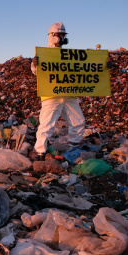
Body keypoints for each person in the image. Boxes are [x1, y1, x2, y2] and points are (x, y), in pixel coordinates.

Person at [30, 22, 85, 160]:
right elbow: (37, 72)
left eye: (63, 35)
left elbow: (82, 68)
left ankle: (74, 145)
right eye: (59, 35)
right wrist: (35, 65)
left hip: (68, 93)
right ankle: (40, 152)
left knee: (78, 121)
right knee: (47, 125)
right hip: (51, 95)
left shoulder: (67, 55)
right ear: (52, 36)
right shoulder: (44, 54)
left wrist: (102, 66)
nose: (61, 37)